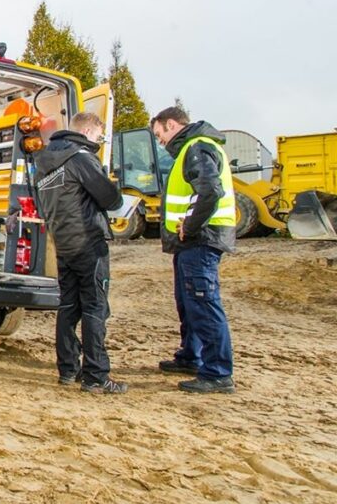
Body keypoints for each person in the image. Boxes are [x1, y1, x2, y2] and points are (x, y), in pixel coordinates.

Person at [34, 112, 127, 394]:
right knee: (95, 307)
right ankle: (96, 375)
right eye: (98, 136)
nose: (98, 141)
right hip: (89, 241)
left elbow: (42, 205)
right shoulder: (82, 158)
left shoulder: (43, 163)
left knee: (68, 306)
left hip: (63, 242)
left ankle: (67, 369)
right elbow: (111, 199)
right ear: (87, 130)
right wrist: (114, 185)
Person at [150, 107, 236, 393]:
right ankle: (191, 355)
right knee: (187, 302)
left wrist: (192, 224)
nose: (160, 141)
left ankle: (217, 373)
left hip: (201, 239)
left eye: (159, 134)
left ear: (171, 124)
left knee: (203, 302)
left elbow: (210, 190)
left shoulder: (197, 147)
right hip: (188, 242)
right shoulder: (190, 148)